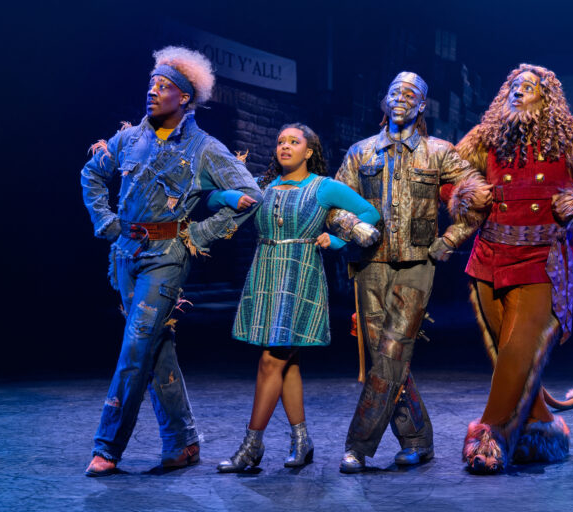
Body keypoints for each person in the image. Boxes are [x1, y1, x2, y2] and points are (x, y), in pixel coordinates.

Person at [80, 46, 262, 476]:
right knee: (157, 349)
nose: (154, 92)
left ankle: (107, 446)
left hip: (166, 257)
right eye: (151, 84)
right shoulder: (129, 138)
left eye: (164, 87)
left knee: (136, 346)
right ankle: (183, 442)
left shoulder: (203, 148)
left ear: (184, 97)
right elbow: (91, 172)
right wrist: (105, 220)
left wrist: (199, 233)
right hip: (125, 255)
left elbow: (250, 194)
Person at [455, 64, 573, 474]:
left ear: (545, 96)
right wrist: (465, 191)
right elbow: (450, 177)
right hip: (489, 256)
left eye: (529, 87)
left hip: (542, 258)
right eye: (514, 87)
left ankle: (490, 437)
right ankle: (544, 424)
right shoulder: (486, 137)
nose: (519, 92)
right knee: (509, 353)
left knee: (519, 349)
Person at [326, 72, 491, 473]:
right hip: (368, 264)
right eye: (395, 92)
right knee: (386, 357)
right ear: (384, 101)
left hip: (417, 265)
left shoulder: (439, 151)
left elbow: (480, 193)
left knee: (393, 350)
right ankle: (418, 439)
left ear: (421, 107)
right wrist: (352, 227)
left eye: (411, 94)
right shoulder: (360, 152)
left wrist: (451, 238)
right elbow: (331, 203)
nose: (402, 98)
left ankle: (358, 446)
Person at [214, 123, 381, 472]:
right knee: (286, 361)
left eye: (294, 142)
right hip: (265, 272)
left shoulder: (324, 187)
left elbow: (370, 215)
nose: (284, 146)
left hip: (299, 276)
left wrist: (336, 241)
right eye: (280, 142)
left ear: (309, 151)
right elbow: (215, 198)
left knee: (271, 359)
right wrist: (232, 197)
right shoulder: (263, 186)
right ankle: (302, 440)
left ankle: (251, 446)